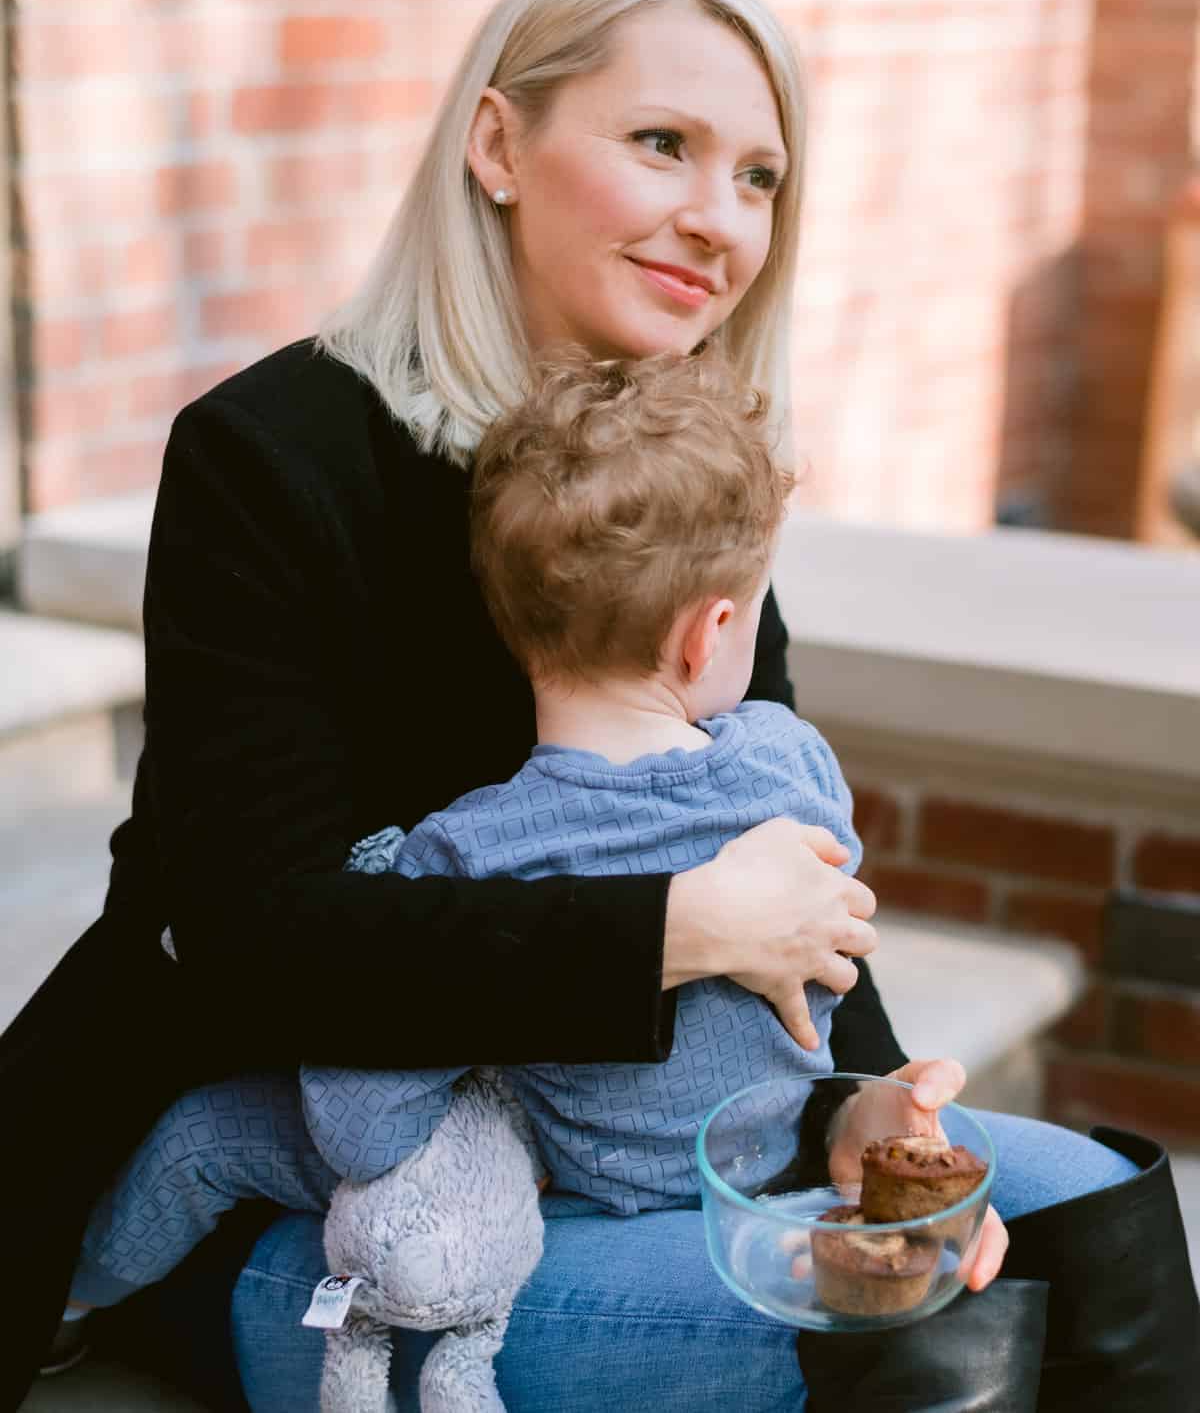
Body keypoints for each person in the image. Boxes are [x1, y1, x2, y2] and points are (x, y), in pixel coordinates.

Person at [2, 0, 1194, 1413]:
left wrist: (849, 1107)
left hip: (608, 1136)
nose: (720, 219)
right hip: (322, 1186)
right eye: (662, 146)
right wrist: (674, 930)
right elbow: (262, 938)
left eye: (759, 176)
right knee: (920, 1336)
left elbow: (777, 854)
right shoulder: (273, 457)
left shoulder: (674, 476)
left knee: (1090, 1212)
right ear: (498, 145)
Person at [61, 349, 858, 1375]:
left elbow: (362, 1126)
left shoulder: (464, 852)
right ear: (709, 635)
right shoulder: (794, 769)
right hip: (769, 1169)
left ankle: (74, 1296)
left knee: (201, 1135)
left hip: (576, 1203)